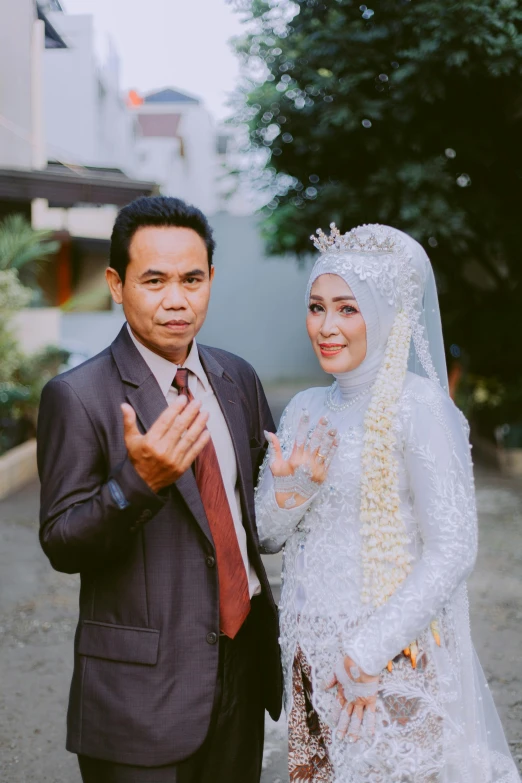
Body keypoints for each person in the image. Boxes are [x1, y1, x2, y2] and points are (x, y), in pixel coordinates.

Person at [255, 223, 520, 782]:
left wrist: (368, 651)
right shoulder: (304, 408)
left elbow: (453, 548)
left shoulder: (419, 407)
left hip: (392, 662)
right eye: (317, 307)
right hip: (308, 657)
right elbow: (267, 535)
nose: (327, 327)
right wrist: (291, 493)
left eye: (347, 309)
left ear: (385, 314)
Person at [37, 196, 282, 783]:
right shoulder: (78, 396)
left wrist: (297, 490)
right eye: (155, 280)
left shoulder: (236, 378)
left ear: (211, 281)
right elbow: (62, 543)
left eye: (192, 279)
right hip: (137, 694)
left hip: (240, 666)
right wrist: (138, 484)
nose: (177, 298)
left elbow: (251, 516)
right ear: (117, 284)